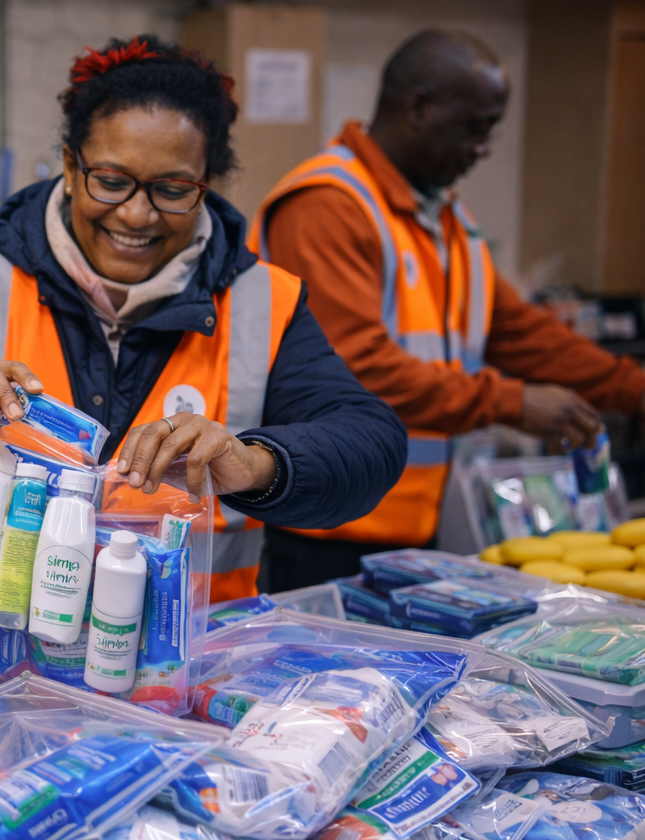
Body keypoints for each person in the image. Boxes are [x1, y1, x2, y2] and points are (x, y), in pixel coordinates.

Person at [0, 35, 407, 671]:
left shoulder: (262, 302)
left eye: (172, 189)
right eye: (110, 181)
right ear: (69, 164)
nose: (136, 214)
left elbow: (372, 443)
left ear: (207, 184)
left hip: (181, 693)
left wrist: (255, 465)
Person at [252, 29, 645, 589]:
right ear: (418, 108)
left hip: (412, 520)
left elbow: (517, 331)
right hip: (329, 523)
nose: (482, 150)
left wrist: (631, 391)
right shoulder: (327, 206)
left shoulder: (445, 217)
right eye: (474, 128)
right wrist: (512, 402)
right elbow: (360, 370)